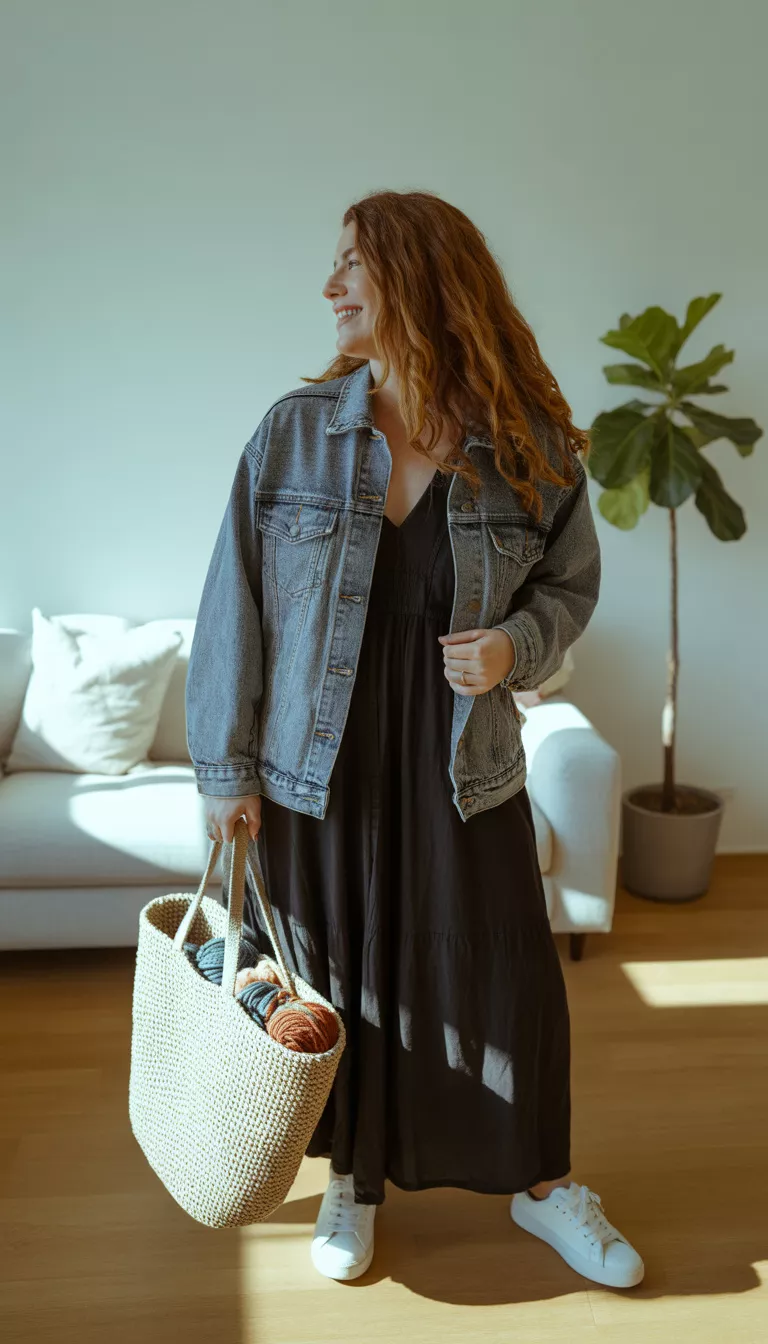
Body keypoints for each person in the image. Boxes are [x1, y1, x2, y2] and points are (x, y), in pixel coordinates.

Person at [187, 190, 644, 1290]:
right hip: (317, 765)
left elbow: (571, 585)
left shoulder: (526, 443)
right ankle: (354, 1179)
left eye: (353, 264)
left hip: (464, 764)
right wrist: (226, 771)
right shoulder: (294, 433)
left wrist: (515, 649)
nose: (331, 285)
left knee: (503, 976)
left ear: (420, 278)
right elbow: (232, 606)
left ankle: (541, 1185)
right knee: (339, 975)